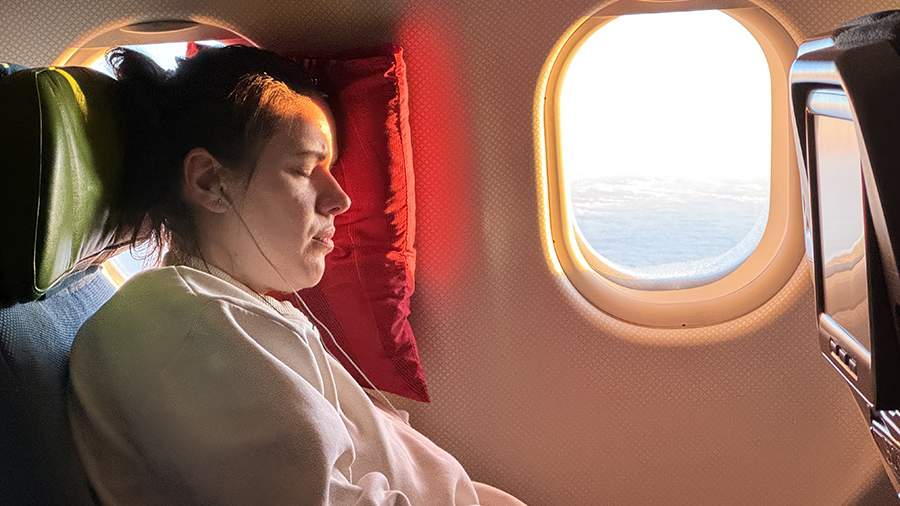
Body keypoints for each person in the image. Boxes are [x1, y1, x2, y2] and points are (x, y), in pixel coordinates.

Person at [67, 45, 509, 505]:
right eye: (304, 168)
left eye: (330, 169)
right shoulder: (184, 330)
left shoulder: (232, 310)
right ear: (208, 181)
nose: (340, 199)